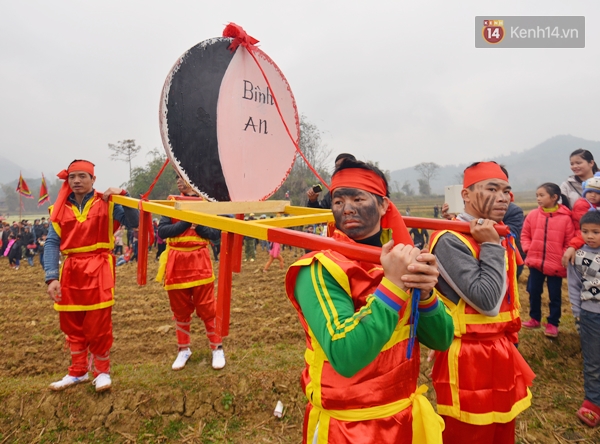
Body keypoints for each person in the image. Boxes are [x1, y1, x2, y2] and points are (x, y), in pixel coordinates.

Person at [286, 158, 454, 443]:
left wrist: (425, 295)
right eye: (338, 201)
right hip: (349, 428)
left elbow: (442, 338)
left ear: (384, 205)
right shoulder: (319, 267)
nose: (347, 208)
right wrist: (393, 285)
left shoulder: (402, 258)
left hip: (405, 419)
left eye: (357, 198)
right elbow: (346, 355)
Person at [430, 161, 535, 443]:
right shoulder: (451, 238)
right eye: (492, 189)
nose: (502, 197)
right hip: (469, 357)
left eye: (506, 191)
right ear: (465, 195)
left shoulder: (497, 232)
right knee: (470, 433)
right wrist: (490, 246)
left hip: (500, 348)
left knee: (502, 431)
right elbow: (487, 302)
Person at [44, 159, 139, 392]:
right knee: (71, 322)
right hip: (71, 269)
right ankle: (77, 372)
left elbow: (134, 221)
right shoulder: (58, 208)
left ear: (93, 179)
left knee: (98, 322)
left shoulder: (108, 202)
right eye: (72, 177)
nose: (76, 180)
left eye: (82, 176)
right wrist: (51, 276)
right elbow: (52, 243)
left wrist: (124, 194)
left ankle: (102, 371)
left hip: (99, 267)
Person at [156, 173, 225, 371]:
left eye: (183, 176)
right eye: (176, 177)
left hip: (199, 260)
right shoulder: (172, 202)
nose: (179, 180)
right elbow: (163, 232)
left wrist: (200, 226)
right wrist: (187, 221)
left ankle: (217, 347)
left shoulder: (207, 202)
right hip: (176, 263)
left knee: (207, 308)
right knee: (180, 310)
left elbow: (215, 234)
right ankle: (183, 349)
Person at [520, 183, 575, 338]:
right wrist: (528, 248)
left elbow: (569, 241)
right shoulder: (532, 215)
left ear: (554, 197)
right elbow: (525, 234)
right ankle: (534, 318)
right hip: (535, 262)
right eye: (537, 195)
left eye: (541, 195)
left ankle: (553, 323)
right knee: (533, 291)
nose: (538, 198)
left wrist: (562, 256)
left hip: (556, 264)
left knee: (554, 295)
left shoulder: (566, 218)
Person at [568, 211, 600, 427]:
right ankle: (593, 402)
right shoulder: (576, 257)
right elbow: (573, 286)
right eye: (585, 231)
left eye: (596, 232)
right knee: (592, 361)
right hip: (590, 316)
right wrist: (578, 313)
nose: (590, 236)